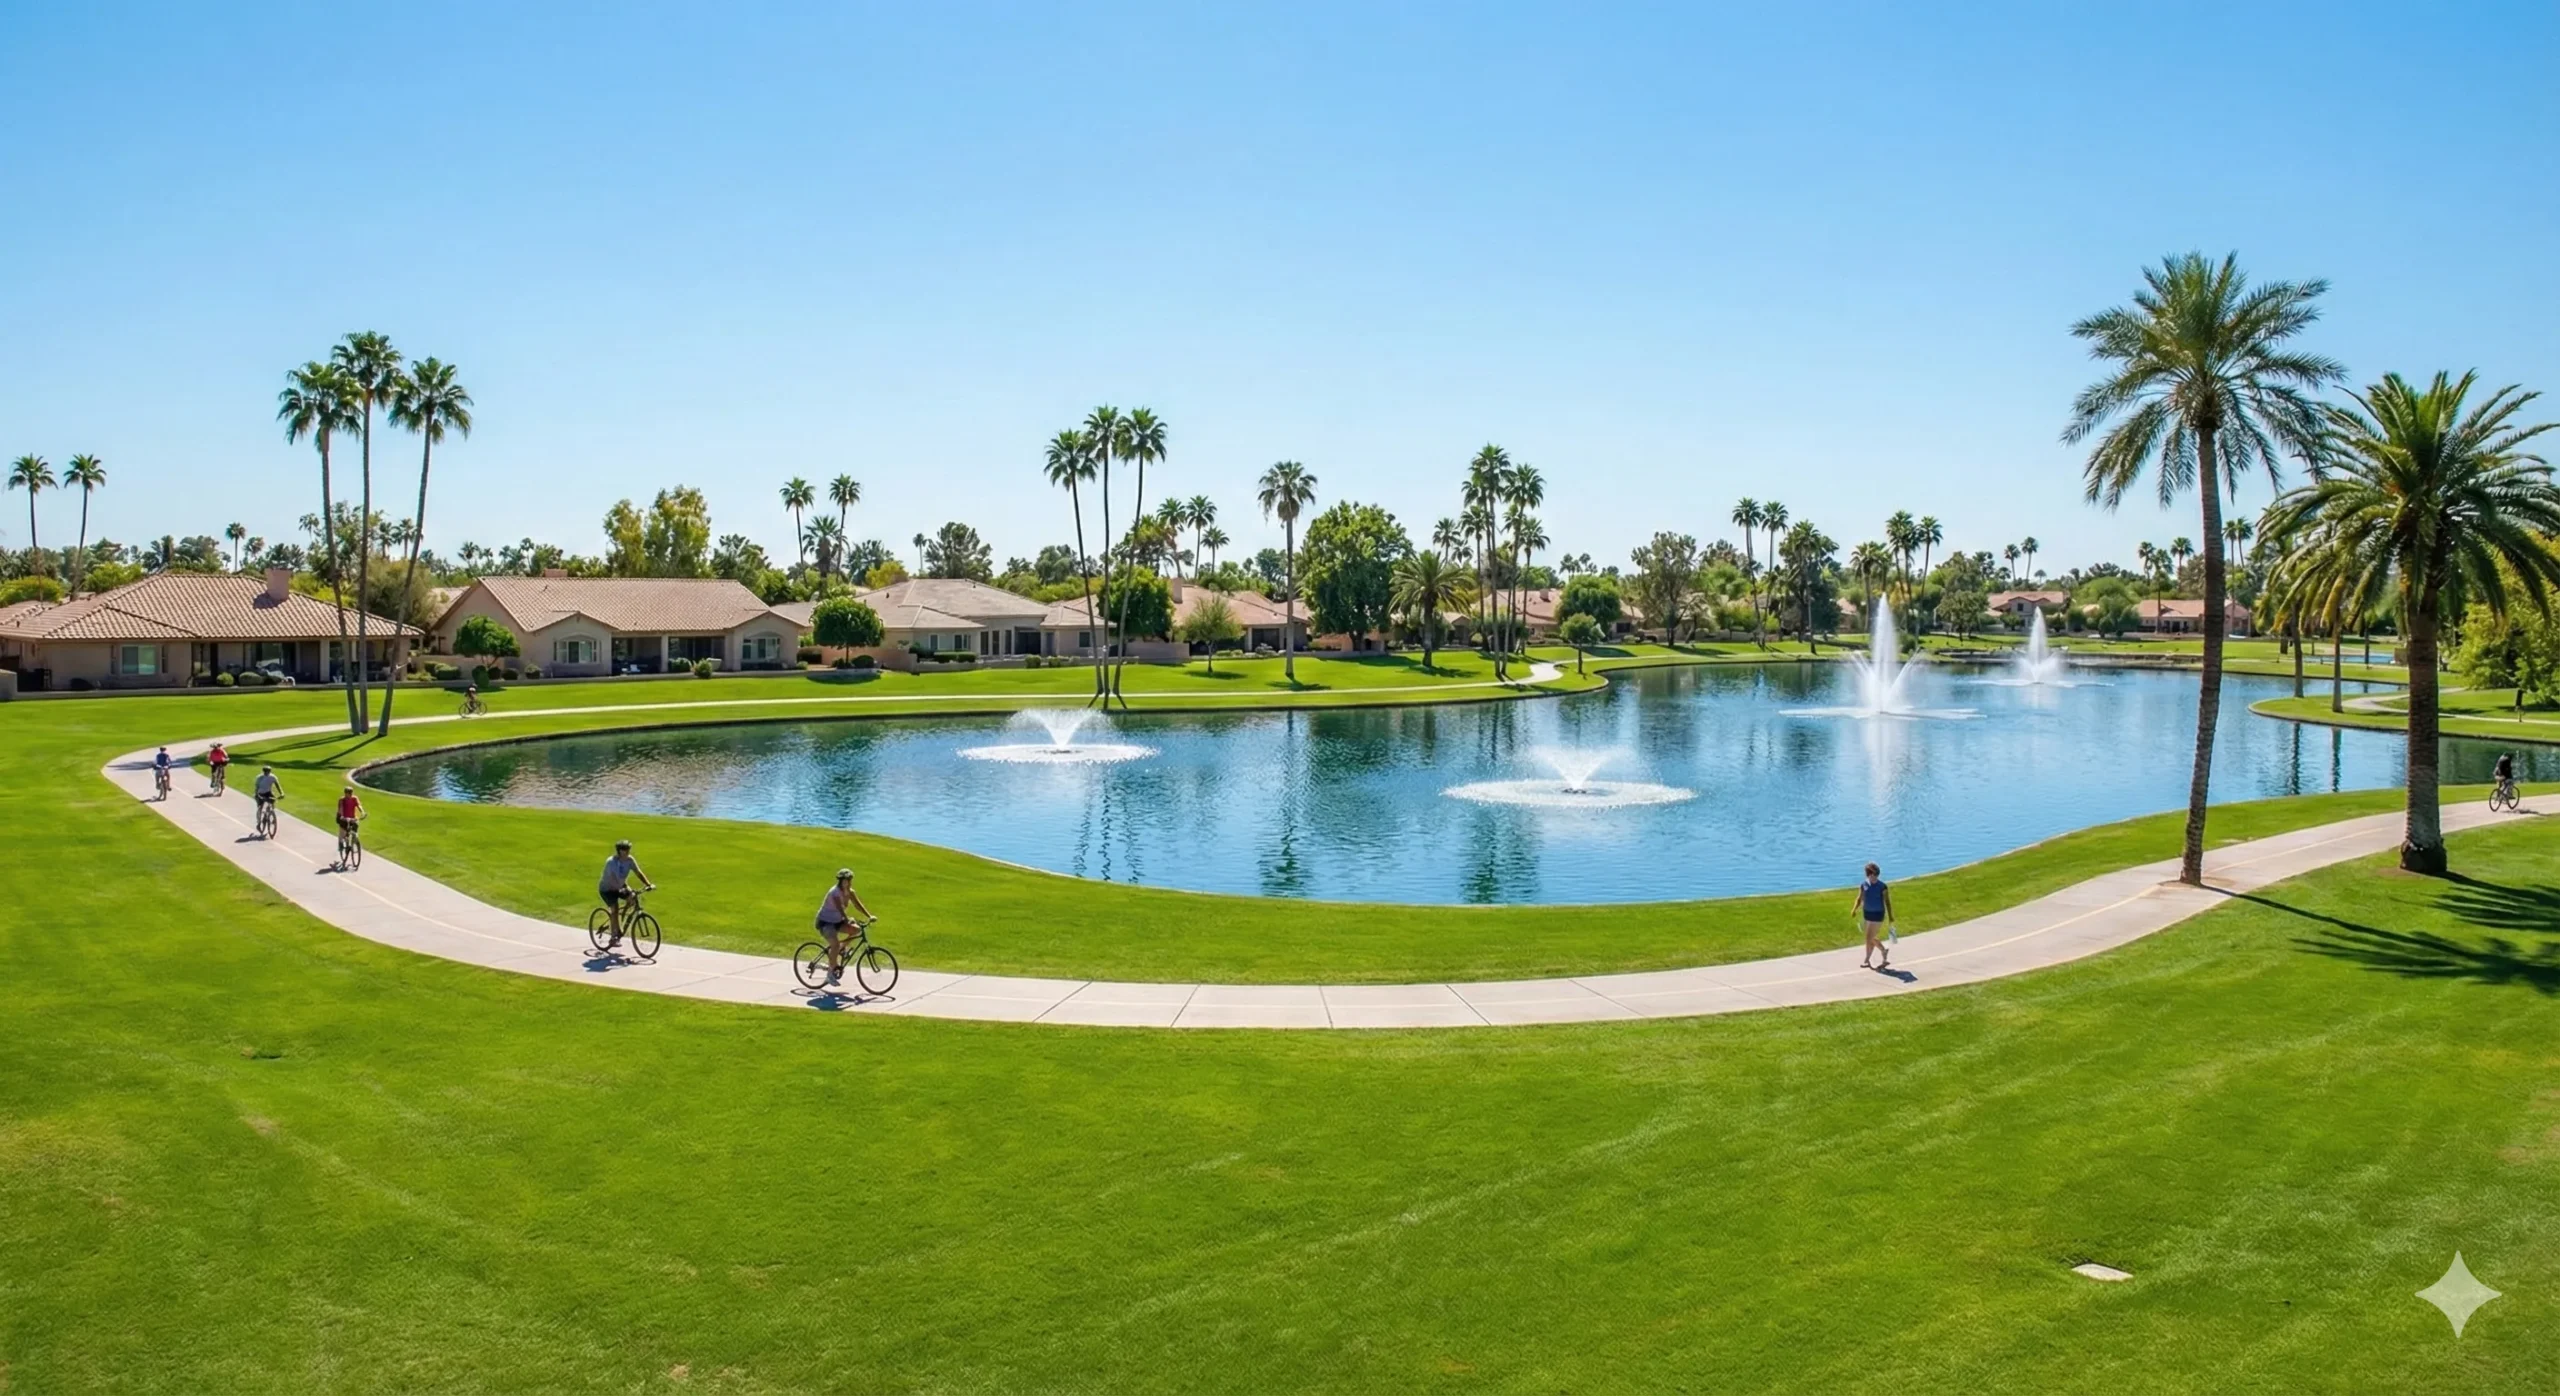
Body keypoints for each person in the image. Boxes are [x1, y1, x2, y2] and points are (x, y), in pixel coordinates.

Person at [814, 867, 875, 986]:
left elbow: (858, 905)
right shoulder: (835, 892)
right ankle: (829, 975)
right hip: (825, 922)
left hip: (837, 921)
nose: (848, 882)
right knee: (835, 945)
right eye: (846, 880)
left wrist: (869, 916)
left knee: (856, 930)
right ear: (841, 881)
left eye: (850, 880)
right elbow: (839, 908)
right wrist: (846, 919)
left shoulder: (850, 892)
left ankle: (840, 949)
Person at [598, 839, 654, 942]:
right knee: (614, 907)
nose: (628, 851)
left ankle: (622, 915)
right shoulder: (612, 862)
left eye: (629, 848)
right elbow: (615, 878)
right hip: (607, 889)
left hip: (619, 886)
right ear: (620, 851)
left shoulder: (629, 860)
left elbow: (638, 872)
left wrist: (648, 884)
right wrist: (626, 888)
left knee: (632, 897)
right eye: (626, 849)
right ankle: (614, 935)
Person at [1853, 861, 1895, 970]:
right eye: (1872, 874)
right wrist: (1854, 909)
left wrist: (1890, 916)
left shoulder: (1882, 887)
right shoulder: (1864, 885)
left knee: (1869, 938)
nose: (1874, 877)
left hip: (1878, 914)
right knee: (1869, 938)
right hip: (1867, 914)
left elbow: (1887, 902)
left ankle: (1867, 959)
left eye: (1876, 875)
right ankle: (1883, 950)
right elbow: (1860, 898)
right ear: (1868, 875)